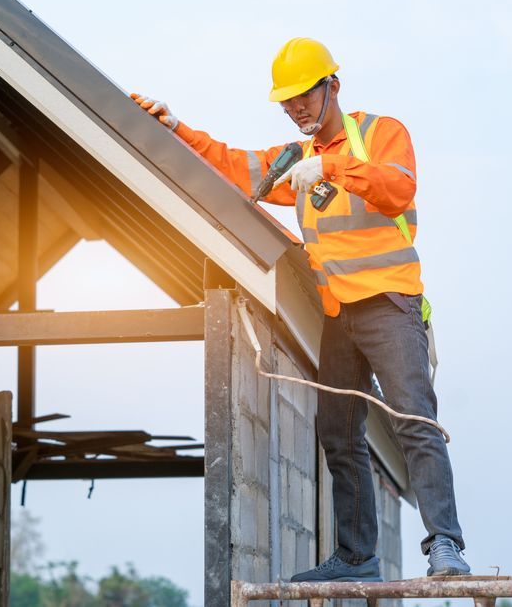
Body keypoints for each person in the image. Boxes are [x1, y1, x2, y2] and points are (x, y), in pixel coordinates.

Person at [132, 37, 470, 580]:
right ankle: (358, 558)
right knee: (336, 431)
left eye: (303, 97)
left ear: (331, 86)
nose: (295, 110)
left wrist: (334, 169)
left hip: (390, 304)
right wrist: (176, 129)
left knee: (414, 423)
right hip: (340, 314)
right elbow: (235, 165)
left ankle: (446, 546)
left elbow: (398, 189)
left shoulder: (381, 133)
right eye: (286, 102)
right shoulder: (296, 162)